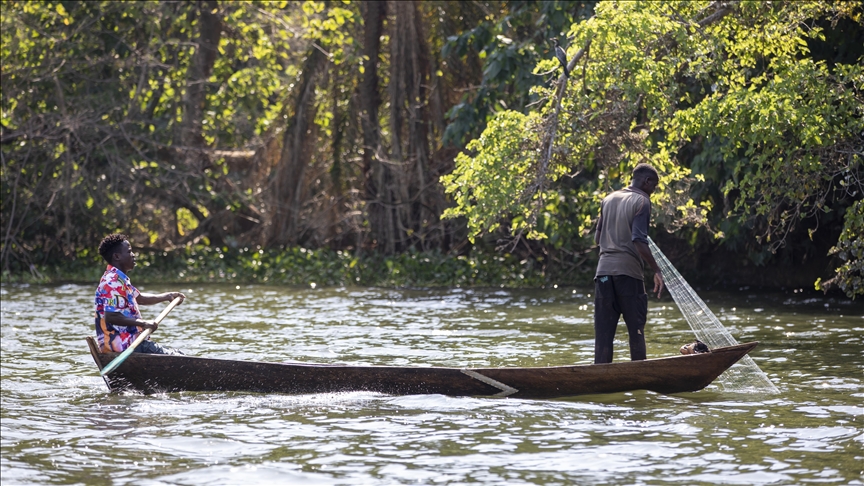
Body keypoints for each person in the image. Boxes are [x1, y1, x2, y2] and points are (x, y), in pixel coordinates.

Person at [593, 163, 665, 364]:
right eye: (654, 185)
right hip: (629, 275)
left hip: (603, 274)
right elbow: (638, 240)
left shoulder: (608, 199)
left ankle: (599, 379)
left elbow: (597, 239)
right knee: (636, 330)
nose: (654, 190)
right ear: (646, 181)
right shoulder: (642, 201)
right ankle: (639, 376)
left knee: (604, 335)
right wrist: (656, 270)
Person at [95, 233, 186, 354]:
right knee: (178, 358)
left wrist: (167, 296)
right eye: (129, 252)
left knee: (177, 353)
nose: (133, 255)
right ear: (117, 256)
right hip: (124, 345)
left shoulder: (119, 280)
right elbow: (111, 316)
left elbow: (140, 298)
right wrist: (143, 323)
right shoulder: (112, 282)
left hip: (132, 343)